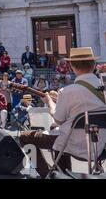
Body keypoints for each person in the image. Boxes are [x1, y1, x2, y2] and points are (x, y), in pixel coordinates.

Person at [19, 47, 106, 178]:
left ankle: (47, 174)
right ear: (94, 65)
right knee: (61, 135)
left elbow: (58, 119)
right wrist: (59, 100)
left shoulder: (68, 91)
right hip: (100, 146)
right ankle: (62, 173)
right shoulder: (103, 88)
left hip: (73, 144)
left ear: (71, 66)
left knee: (24, 137)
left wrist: (49, 102)